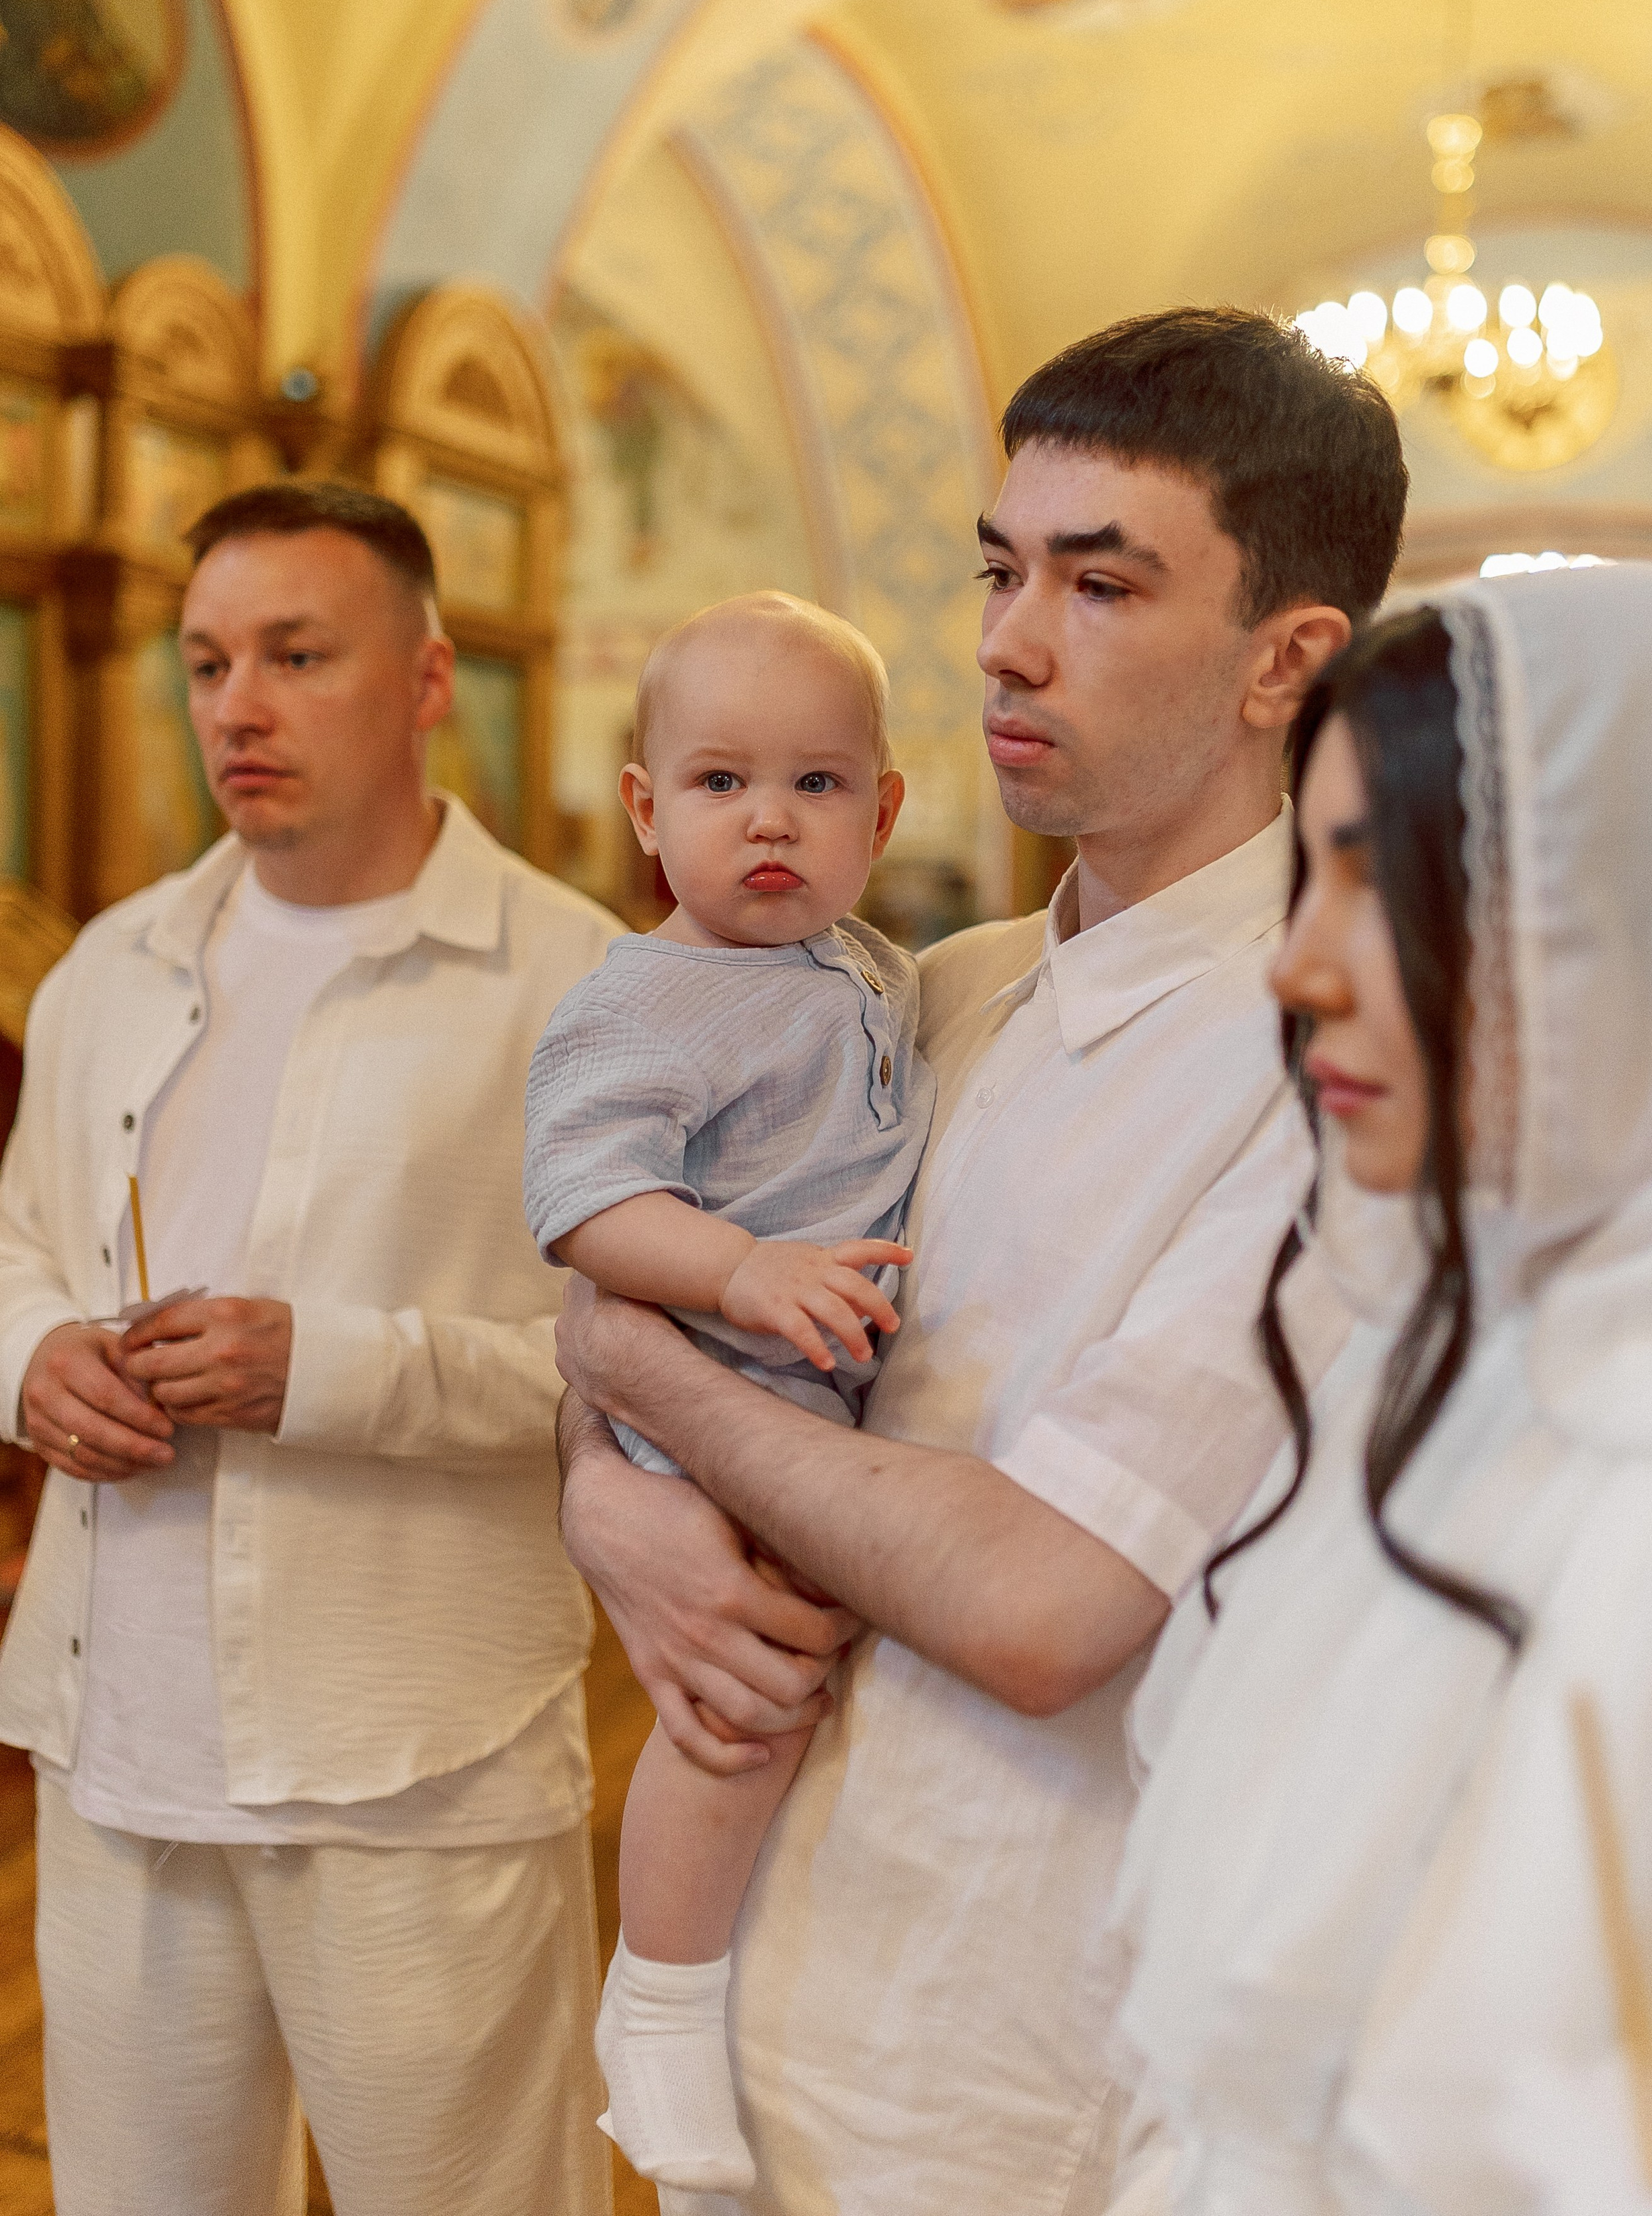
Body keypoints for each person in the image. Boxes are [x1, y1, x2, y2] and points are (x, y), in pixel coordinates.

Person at [556, 307, 1407, 2214]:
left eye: (1104, 584)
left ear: (1290, 658)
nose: (1009, 642)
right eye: (1001, 567)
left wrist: (644, 1382)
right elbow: (626, 1265)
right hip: (752, 1967)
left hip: (1011, 2048)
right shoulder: (927, 988)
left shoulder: (1340, 1070)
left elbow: (1042, 1610)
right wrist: (610, 1512)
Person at [0, 483, 622, 2216]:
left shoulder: (579, 990)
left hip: (416, 1748)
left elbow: (631, 1370)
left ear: (428, 682)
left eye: (295, 655)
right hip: (117, 1734)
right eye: (205, 663)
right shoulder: (106, 968)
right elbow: (15, 1245)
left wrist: (326, 1371)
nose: (237, 708)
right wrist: (31, 1355)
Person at [1104, 562, 1652, 2216]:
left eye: (1379, 887)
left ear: (1629, 909)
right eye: (1304, 880)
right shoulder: (1435, 1340)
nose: (1294, 969)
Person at [525, 591, 934, 2192]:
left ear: (882, 811)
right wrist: (734, 1273)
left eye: (818, 786)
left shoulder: (887, 973)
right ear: (645, 809)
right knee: (727, 1720)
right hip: (713, 1392)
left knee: (793, 1704)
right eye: (718, 784)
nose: (770, 818)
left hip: (821, 1410)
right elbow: (581, 1207)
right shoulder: (635, 1000)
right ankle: (662, 2002)